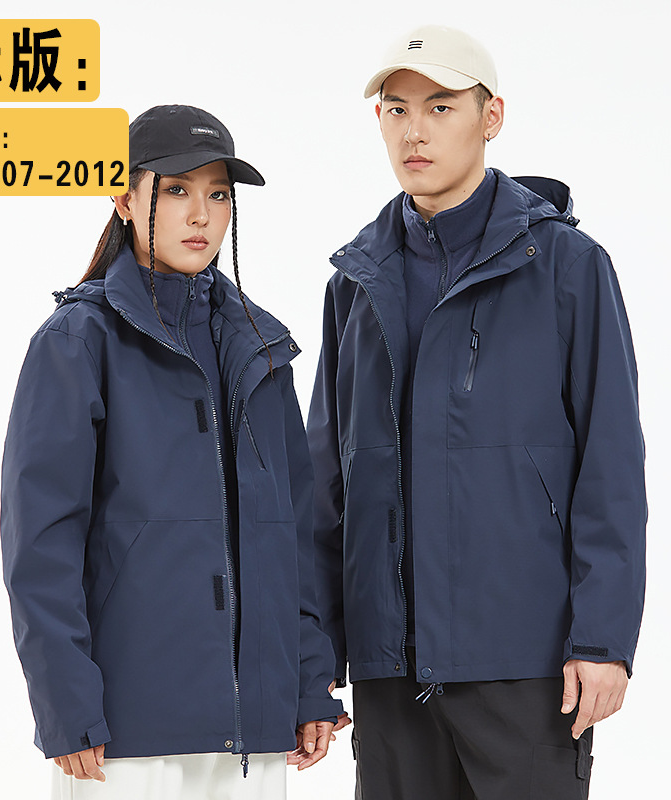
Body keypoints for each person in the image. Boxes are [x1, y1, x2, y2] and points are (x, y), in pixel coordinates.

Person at [307, 25, 646, 800]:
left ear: (491, 116)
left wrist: (603, 639)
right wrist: (311, 651)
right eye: (397, 110)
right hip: (390, 668)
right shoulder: (355, 284)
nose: (414, 132)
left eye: (440, 106)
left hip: (524, 661)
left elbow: (611, 467)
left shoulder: (567, 268)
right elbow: (325, 488)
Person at [0, 104, 341, 800]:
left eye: (218, 194)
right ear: (124, 199)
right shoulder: (79, 341)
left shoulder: (262, 351)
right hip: (126, 731)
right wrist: (65, 703)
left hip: (254, 731)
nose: (201, 215)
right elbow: (40, 542)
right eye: (177, 189)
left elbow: (294, 541)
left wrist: (310, 683)